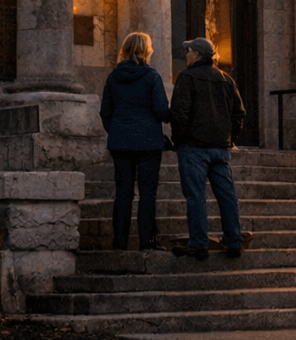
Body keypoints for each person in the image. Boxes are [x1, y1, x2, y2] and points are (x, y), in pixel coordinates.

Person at [170, 36, 246, 260]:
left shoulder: (187, 77)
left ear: (198, 54)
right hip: (219, 148)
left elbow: (179, 113)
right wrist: (229, 138)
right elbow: (238, 114)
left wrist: (179, 140)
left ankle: (199, 243)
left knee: (196, 196)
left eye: (189, 51)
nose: (186, 55)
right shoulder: (226, 79)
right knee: (227, 196)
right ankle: (233, 240)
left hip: (194, 147)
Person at [98, 32, 170, 251]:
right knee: (148, 193)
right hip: (148, 142)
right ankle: (147, 241)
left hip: (120, 142)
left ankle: (119, 242)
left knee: (123, 193)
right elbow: (161, 111)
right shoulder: (152, 76)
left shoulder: (113, 77)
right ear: (145, 50)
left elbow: (105, 112)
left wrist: (118, 131)